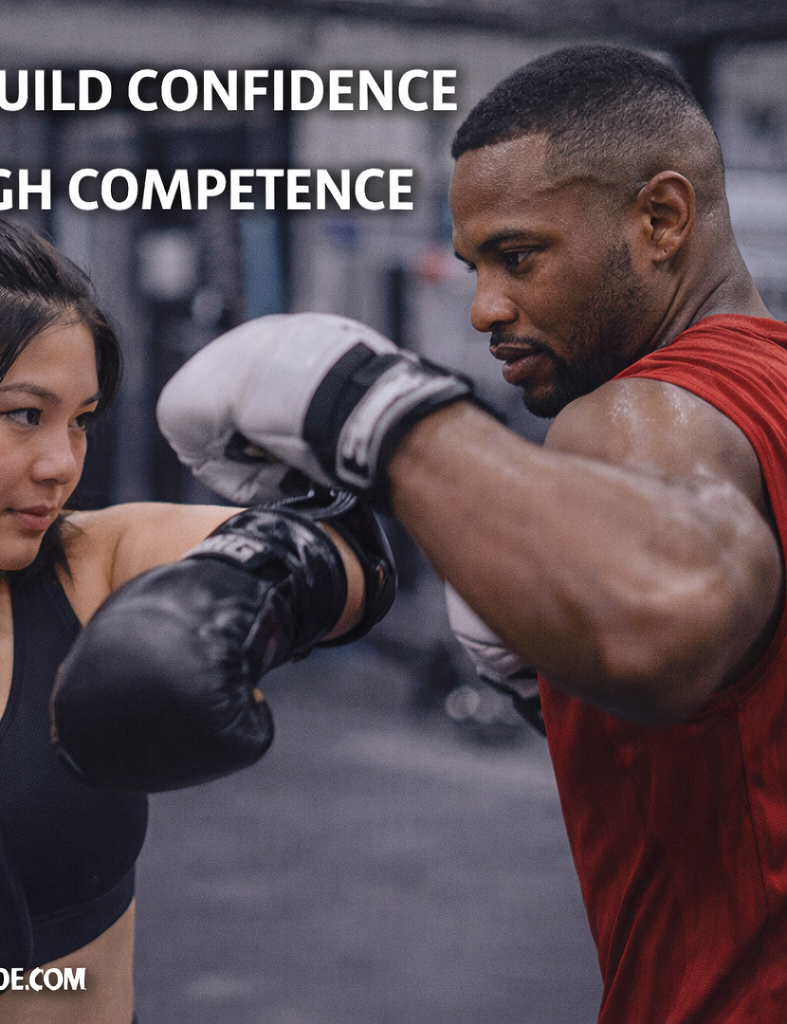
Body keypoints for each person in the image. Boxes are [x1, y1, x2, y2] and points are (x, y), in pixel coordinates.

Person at [156, 45, 787, 1022]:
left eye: (520, 256)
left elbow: (662, 617)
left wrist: (380, 418)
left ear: (661, 219)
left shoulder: (641, 415)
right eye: (474, 266)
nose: (486, 307)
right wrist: (562, 696)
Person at [0, 209, 395, 1024]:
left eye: (80, 420)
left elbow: (345, 556)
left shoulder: (93, 568)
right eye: (23, 415)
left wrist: (254, 588)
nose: (61, 464)